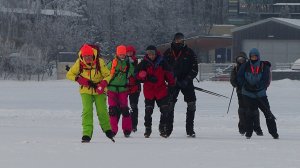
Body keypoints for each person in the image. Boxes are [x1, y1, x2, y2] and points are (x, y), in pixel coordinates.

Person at [66, 43, 114, 143]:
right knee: (87, 111)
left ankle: (107, 129)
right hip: (85, 90)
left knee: (102, 110)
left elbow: (108, 75)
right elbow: (69, 74)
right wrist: (79, 80)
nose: (87, 58)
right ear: (82, 56)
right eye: (85, 56)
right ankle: (86, 133)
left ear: (93, 55)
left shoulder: (99, 62)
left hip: (99, 89)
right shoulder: (79, 63)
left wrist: (104, 83)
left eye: (89, 56)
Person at [237, 48, 279, 139]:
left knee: (268, 113)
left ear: (258, 56)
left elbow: (266, 79)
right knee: (250, 113)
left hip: (260, 94)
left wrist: (258, 86)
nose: (254, 58)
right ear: (250, 57)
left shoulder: (264, 66)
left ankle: (274, 133)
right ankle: (249, 133)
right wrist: (246, 85)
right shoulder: (245, 65)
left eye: (255, 56)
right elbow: (239, 77)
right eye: (252, 56)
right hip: (247, 94)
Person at [136, 45, 175, 138]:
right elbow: (136, 74)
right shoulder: (144, 63)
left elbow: (169, 74)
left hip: (161, 90)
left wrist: (172, 84)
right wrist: (146, 77)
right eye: (149, 54)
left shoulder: (162, 62)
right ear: (147, 54)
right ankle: (148, 129)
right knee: (148, 111)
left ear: (156, 53)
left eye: (152, 54)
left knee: (165, 110)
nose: (151, 56)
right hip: (149, 91)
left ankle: (162, 128)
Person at [163, 32, 198, 137]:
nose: (180, 41)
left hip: (186, 82)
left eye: (182, 40)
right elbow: (163, 68)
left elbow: (194, 69)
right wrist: (170, 79)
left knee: (191, 104)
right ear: (174, 40)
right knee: (170, 104)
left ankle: (190, 130)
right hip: (172, 82)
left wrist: (187, 79)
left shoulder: (189, 52)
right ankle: (168, 130)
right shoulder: (168, 52)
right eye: (178, 40)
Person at [230, 52, 263, 136]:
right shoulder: (235, 68)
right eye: (239, 59)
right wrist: (236, 84)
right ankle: (242, 126)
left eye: (242, 59)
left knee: (253, 109)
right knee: (242, 109)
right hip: (240, 92)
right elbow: (232, 79)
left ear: (245, 59)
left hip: (250, 91)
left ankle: (256, 127)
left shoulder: (249, 66)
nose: (241, 61)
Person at [107, 45, 134, 137]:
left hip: (123, 89)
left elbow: (132, 72)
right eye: (120, 54)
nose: (122, 56)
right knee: (112, 110)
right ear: (117, 54)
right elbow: (105, 73)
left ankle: (127, 130)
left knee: (125, 109)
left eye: (123, 54)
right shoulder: (112, 63)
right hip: (111, 89)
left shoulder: (128, 63)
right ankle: (113, 130)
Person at [126, 45, 141, 132]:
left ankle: (133, 125)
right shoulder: (122, 62)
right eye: (127, 52)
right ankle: (125, 125)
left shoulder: (137, 62)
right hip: (124, 87)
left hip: (135, 87)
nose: (129, 53)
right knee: (122, 107)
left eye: (131, 52)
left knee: (133, 107)